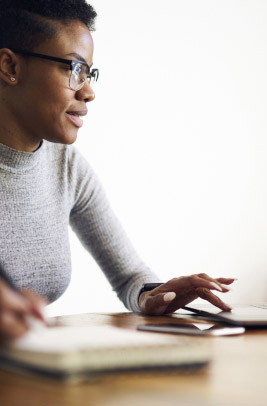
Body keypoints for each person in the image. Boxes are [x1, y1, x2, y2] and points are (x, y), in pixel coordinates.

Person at [0, 1, 234, 341]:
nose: (89, 91)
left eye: (89, 73)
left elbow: (130, 277)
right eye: (74, 69)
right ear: (10, 66)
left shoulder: (67, 167)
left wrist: (152, 295)